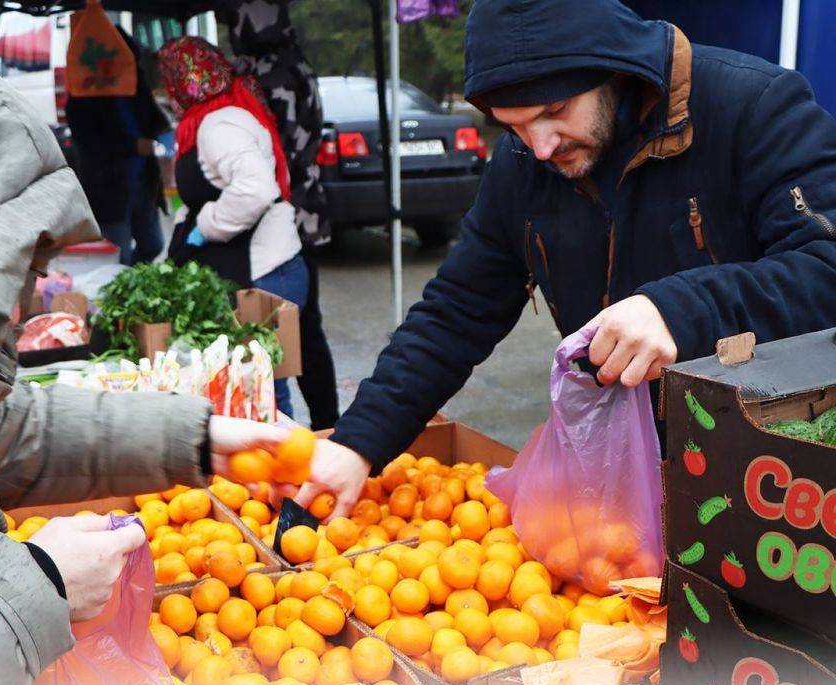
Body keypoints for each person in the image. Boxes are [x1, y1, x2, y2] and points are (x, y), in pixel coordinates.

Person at [0, 49, 289, 685]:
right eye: (7, 278)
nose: (23, 311)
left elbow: (20, 434)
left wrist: (194, 436)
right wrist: (37, 588)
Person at [296, 0, 836, 518]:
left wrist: (678, 310)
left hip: (772, 478)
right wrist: (359, 442)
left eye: (555, 111)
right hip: (619, 480)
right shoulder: (523, 164)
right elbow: (455, 311)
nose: (540, 147)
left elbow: (824, 268)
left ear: (615, 68)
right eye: (515, 125)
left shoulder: (754, 107)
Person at [159, 36, 309, 420]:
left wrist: (206, 226)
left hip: (265, 276)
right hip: (260, 272)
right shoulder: (217, 117)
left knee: (264, 393)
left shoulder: (218, 124)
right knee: (256, 389)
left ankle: (283, 471)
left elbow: (257, 188)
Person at [224, 0, 341, 429]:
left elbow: (273, 153)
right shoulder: (291, 63)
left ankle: (324, 424)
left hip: (289, 211)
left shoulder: (273, 73)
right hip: (303, 207)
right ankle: (328, 422)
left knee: (297, 331)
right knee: (306, 327)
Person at [66, 26, 167, 265]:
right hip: (109, 186)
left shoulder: (135, 86)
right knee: (117, 254)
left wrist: (163, 134)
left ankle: (132, 278)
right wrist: (133, 146)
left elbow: (155, 119)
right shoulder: (83, 97)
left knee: (154, 244)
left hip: (143, 182)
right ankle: (124, 287)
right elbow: (91, 143)